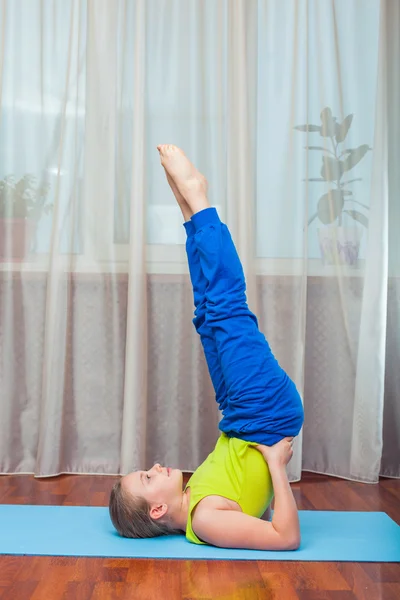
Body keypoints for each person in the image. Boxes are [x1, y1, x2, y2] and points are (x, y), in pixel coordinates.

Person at [109, 145, 304, 550]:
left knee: (208, 316)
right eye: (147, 477)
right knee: (228, 308)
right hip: (266, 415)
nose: (155, 466)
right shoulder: (207, 520)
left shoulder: (193, 498)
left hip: (239, 416)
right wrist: (275, 465)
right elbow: (285, 538)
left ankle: (189, 212)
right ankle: (198, 201)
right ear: (157, 511)